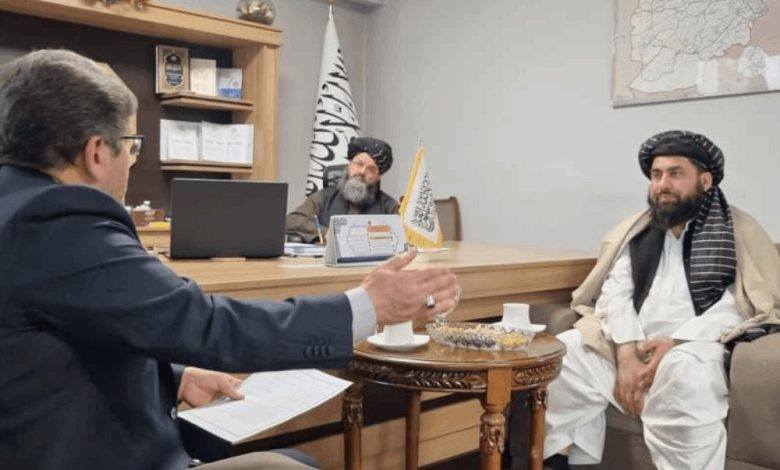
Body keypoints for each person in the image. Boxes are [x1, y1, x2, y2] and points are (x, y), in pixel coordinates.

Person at [0, 49, 459, 470]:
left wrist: (176, 379)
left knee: (284, 456)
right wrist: (366, 306)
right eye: (132, 145)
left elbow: (64, 347)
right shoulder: (58, 219)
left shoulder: (17, 207)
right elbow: (200, 322)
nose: (131, 162)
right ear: (98, 152)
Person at [541, 130, 780, 470]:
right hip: (631, 342)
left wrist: (676, 341)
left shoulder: (737, 231)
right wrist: (626, 351)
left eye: (675, 173)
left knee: (683, 373)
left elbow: (743, 305)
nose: (662, 184)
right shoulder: (639, 231)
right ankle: (562, 463)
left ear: (705, 180)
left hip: (697, 346)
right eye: (656, 175)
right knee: (565, 353)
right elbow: (616, 293)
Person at [286, 136, 400, 243]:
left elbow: (403, 233)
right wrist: (326, 233)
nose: (362, 172)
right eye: (359, 164)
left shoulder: (389, 206)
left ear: (379, 176)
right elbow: (292, 220)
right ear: (349, 164)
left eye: (371, 169)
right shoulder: (323, 198)